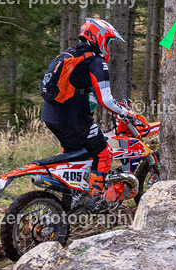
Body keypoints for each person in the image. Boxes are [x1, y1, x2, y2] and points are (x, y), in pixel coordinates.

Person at [40, 18, 147, 207]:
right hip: (75, 119)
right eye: (108, 41)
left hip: (50, 116)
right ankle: (96, 200)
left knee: (77, 155)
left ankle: (74, 198)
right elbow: (105, 99)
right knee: (104, 154)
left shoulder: (67, 54)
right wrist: (126, 113)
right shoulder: (95, 61)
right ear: (99, 37)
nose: (108, 47)